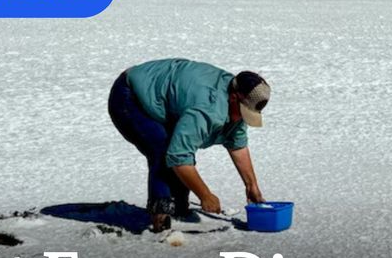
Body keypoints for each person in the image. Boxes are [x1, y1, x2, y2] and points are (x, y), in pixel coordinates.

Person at [108, 58, 270, 232]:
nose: (243, 119)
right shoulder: (206, 109)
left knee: (176, 148)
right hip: (130, 95)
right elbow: (178, 157)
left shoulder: (238, 99)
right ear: (233, 97)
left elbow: (237, 145)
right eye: (244, 113)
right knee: (163, 151)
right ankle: (160, 215)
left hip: (162, 95)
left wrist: (251, 185)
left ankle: (179, 208)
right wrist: (205, 195)